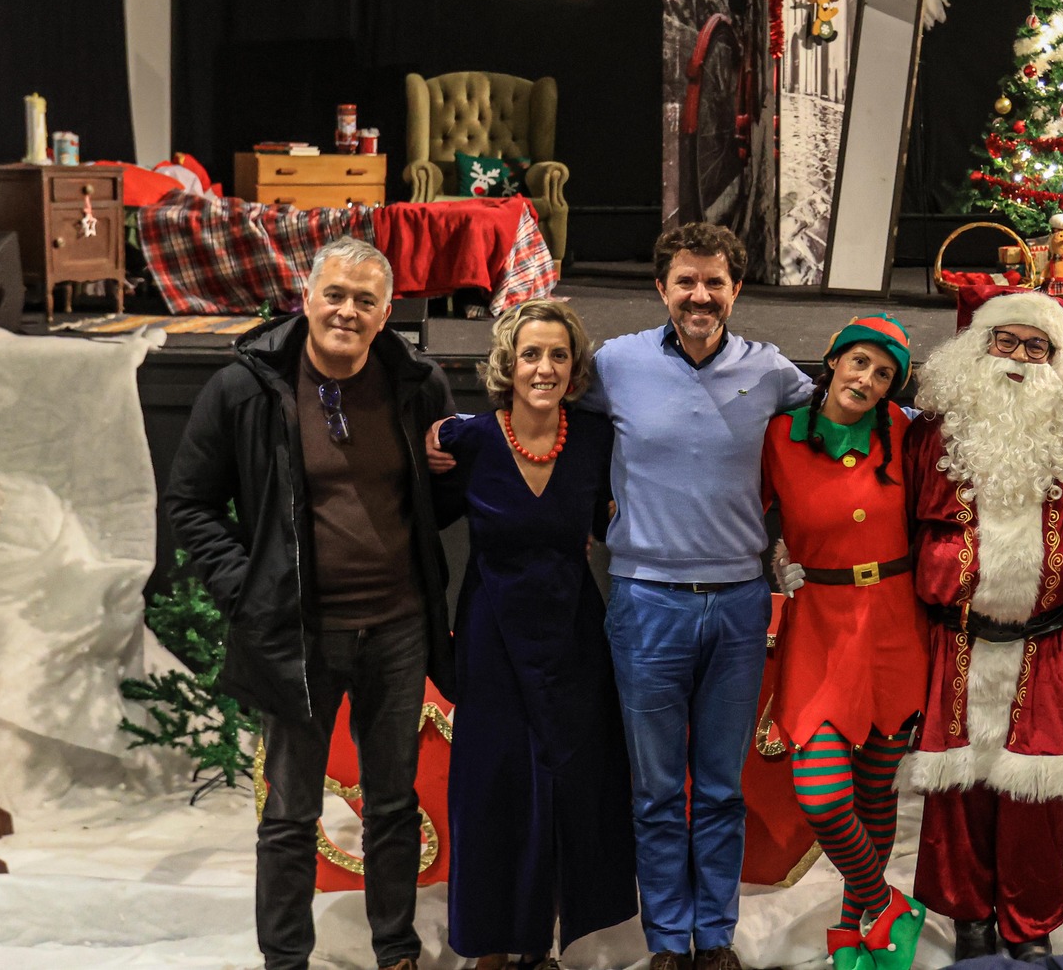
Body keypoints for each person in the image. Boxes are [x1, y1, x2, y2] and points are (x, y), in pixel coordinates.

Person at [164, 237, 457, 970]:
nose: (347, 311)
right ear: (307, 296)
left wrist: (451, 473)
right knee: (290, 813)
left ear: (387, 313)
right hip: (297, 635)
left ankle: (396, 950)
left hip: (397, 628)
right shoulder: (246, 385)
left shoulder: (418, 384)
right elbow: (190, 503)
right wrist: (248, 588)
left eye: (365, 300)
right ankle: (285, 958)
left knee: (393, 804)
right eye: (335, 294)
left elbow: (441, 502)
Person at [576, 222, 814, 970]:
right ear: (661, 287)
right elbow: (540, 414)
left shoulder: (772, 372)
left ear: (736, 290)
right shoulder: (615, 365)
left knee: (718, 787)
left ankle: (712, 937)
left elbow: (847, 418)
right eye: (685, 281)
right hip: (646, 602)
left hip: (741, 605)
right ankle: (666, 941)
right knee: (654, 791)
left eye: (715, 282)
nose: (700, 295)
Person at [431, 301, 636, 969]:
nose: (543, 367)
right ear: (507, 364)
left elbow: (620, 525)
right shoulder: (471, 441)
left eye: (557, 355)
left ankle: (541, 941)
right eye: (530, 354)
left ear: (574, 368)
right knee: (493, 790)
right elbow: (414, 521)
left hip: (575, 638)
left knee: (568, 788)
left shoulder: (598, 438)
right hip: (493, 640)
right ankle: (490, 945)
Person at [902, 290, 1063, 964]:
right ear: (976, 348)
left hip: (1050, 639)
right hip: (955, 637)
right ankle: (969, 915)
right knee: (959, 792)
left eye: (1035, 346)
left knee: (1034, 795)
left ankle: (1029, 917)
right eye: (1005, 342)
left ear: (1056, 359)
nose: (1019, 359)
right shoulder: (930, 435)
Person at [762, 314, 930, 970]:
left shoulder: (907, 434)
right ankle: (887, 901)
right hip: (822, 623)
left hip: (894, 623)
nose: (867, 378)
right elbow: (739, 511)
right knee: (824, 794)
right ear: (832, 361)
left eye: (883, 373)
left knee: (873, 788)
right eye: (859, 362)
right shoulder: (780, 436)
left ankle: (859, 928)